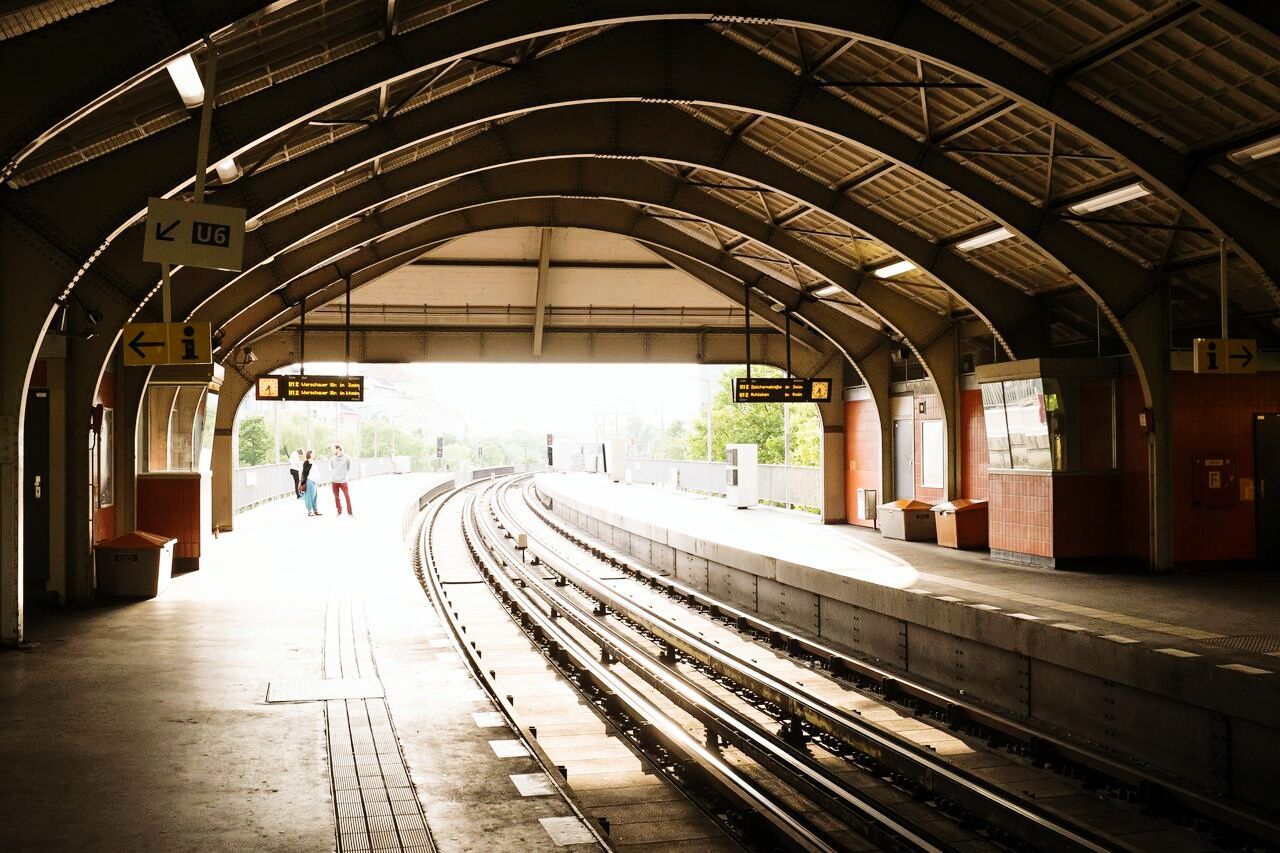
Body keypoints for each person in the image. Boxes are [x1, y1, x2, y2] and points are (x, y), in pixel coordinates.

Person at [330, 444, 353, 516]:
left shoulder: (347, 458)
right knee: (336, 497)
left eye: (334, 449)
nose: (332, 451)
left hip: (343, 481)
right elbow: (333, 468)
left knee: (347, 496)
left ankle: (350, 512)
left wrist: (344, 475)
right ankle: (339, 511)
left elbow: (349, 468)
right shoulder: (332, 459)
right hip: (334, 481)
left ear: (338, 449)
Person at [300, 450, 321, 516]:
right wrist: (303, 482)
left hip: (314, 482)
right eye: (313, 453)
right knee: (309, 496)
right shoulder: (306, 462)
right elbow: (304, 472)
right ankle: (309, 511)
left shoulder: (313, 463)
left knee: (315, 496)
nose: (314, 454)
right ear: (309, 454)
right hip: (309, 481)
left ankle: (315, 510)